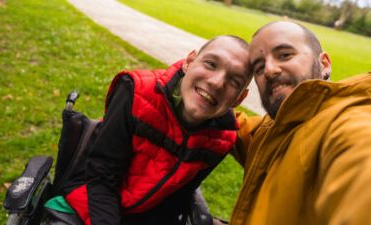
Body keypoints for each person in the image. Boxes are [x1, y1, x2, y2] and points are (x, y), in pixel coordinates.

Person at [229, 21, 371, 225]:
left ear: (324, 63)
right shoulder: (275, 129)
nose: (270, 70)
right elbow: (238, 126)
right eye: (259, 66)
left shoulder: (349, 120)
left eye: (285, 55)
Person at [44, 35, 252, 225]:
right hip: (90, 201)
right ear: (189, 62)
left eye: (234, 81)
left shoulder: (222, 140)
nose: (216, 82)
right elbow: (101, 176)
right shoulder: (135, 92)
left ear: (239, 98)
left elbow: (177, 199)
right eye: (211, 64)